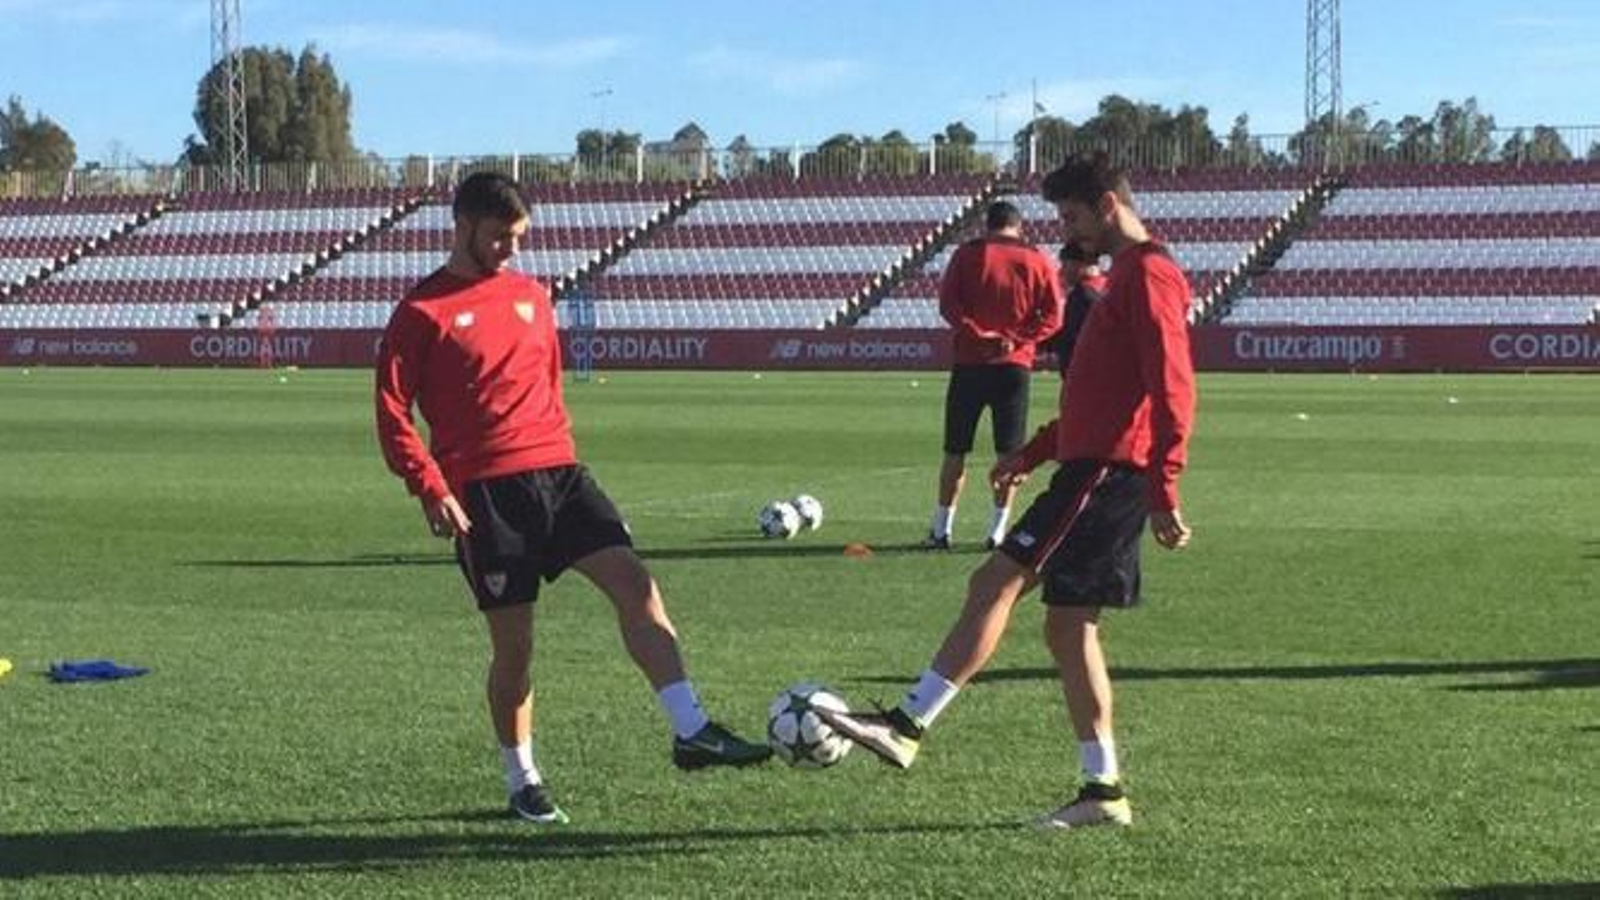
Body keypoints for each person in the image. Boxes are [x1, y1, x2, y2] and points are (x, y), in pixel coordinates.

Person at [375, 172, 770, 826]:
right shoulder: (421, 313)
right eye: (500, 237)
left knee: (637, 586)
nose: (510, 249)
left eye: (519, 238)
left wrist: (557, 451)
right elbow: (391, 412)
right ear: (464, 224)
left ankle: (691, 728)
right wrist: (431, 486)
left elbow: (549, 386)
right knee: (516, 650)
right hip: (485, 494)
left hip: (560, 474)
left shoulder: (533, 295)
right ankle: (522, 776)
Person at [820, 152, 1197, 830]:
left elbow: (1173, 389)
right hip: (1089, 467)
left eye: (1074, 216)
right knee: (1066, 627)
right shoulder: (1128, 279)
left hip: (1106, 476)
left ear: (1108, 204)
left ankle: (908, 725)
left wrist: (1164, 488)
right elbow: (1100, 394)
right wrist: (1034, 450)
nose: (1069, 230)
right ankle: (1103, 791)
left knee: (996, 582)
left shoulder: (1150, 277)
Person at [927, 200, 1063, 551]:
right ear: (1018, 227)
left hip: (970, 364)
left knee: (955, 451)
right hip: (1014, 367)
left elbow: (948, 305)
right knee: (1008, 454)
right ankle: (998, 532)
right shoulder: (1036, 258)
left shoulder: (967, 254)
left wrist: (977, 333)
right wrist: (1017, 339)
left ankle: (942, 530)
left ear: (987, 225)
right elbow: (1053, 315)